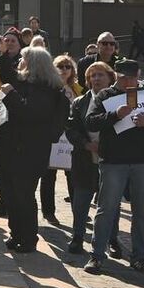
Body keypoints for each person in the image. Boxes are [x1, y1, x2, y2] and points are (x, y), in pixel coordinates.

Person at [86, 58, 144, 275]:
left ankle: (139, 257)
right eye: (123, 78)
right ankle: (97, 256)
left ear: (139, 75)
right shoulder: (106, 95)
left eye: (132, 77)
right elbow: (90, 121)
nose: (128, 82)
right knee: (107, 209)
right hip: (114, 162)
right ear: (116, 77)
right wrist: (113, 115)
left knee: (142, 212)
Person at [0, 45, 68, 239]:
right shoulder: (25, 81)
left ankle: (28, 238)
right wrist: (0, 53)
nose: (19, 63)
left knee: (23, 197)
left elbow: (28, 112)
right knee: (11, 196)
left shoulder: (47, 89)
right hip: (12, 150)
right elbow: (8, 74)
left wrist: (9, 95)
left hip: (29, 153)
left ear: (33, 64)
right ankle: (16, 234)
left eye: (22, 59)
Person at [61, 58, 102, 255]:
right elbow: (71, 129)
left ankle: (109, 239)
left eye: (101, 74)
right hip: (84, 159)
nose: (96, 78)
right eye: (92, 75)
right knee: (81, 201)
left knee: (108, 205)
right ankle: (77, 236)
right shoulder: (80, 102)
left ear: (110, 78)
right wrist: (86, 144)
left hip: (109, 161)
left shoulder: (117, 101)